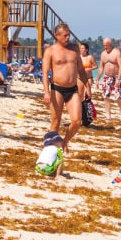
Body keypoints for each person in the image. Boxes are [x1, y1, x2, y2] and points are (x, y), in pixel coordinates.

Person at [41, 23, 89, 152]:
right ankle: (50, 149)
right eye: (65, 35)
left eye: (69, 35)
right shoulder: (50, 51)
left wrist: (87, 86)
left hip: (73, 90)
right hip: (57, 89)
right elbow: (45, 73)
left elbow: (80, 69)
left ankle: (64, 142)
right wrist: (46, 92)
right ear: (57, 36)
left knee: (77, 121)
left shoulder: (74, 49)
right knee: (56, 121)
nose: (68, 37)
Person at [96, 37, 121, 123]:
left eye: (106, 45)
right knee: (106, 96)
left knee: (118, 97)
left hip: (116, 76)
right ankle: (108, 115)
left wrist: (119, 79)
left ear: (110, 44)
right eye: (104, 45)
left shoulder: (116, 52)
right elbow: (101, 67)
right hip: (106, 77)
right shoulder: (103, 54)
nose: (105, 47)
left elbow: (120, 66)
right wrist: (97, 79)